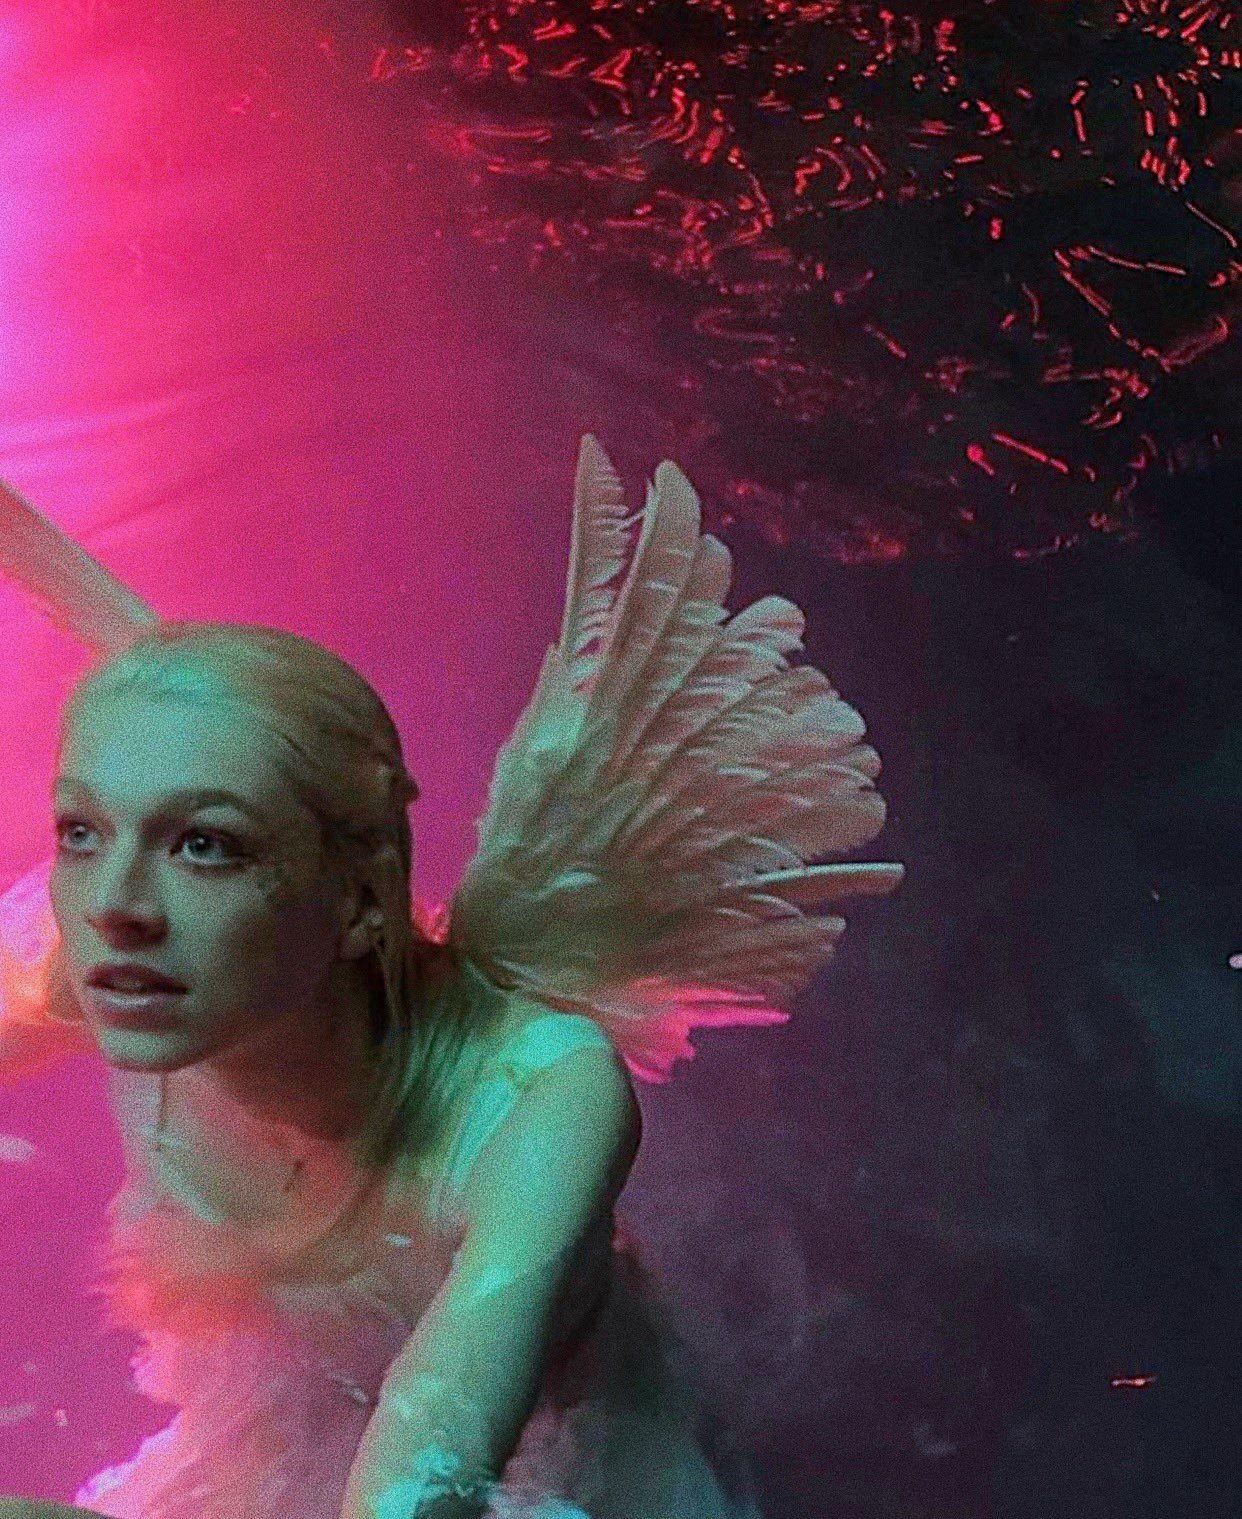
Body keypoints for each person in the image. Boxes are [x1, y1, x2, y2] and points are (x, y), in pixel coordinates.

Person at [0, 436, 904, 1518]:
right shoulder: (116, 969)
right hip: (280, 1409)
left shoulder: (536, 1097)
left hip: (540, 1448)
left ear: (358, 904)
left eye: (206, 845)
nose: (113, 906)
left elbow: (422, 1481)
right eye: (82, 830)